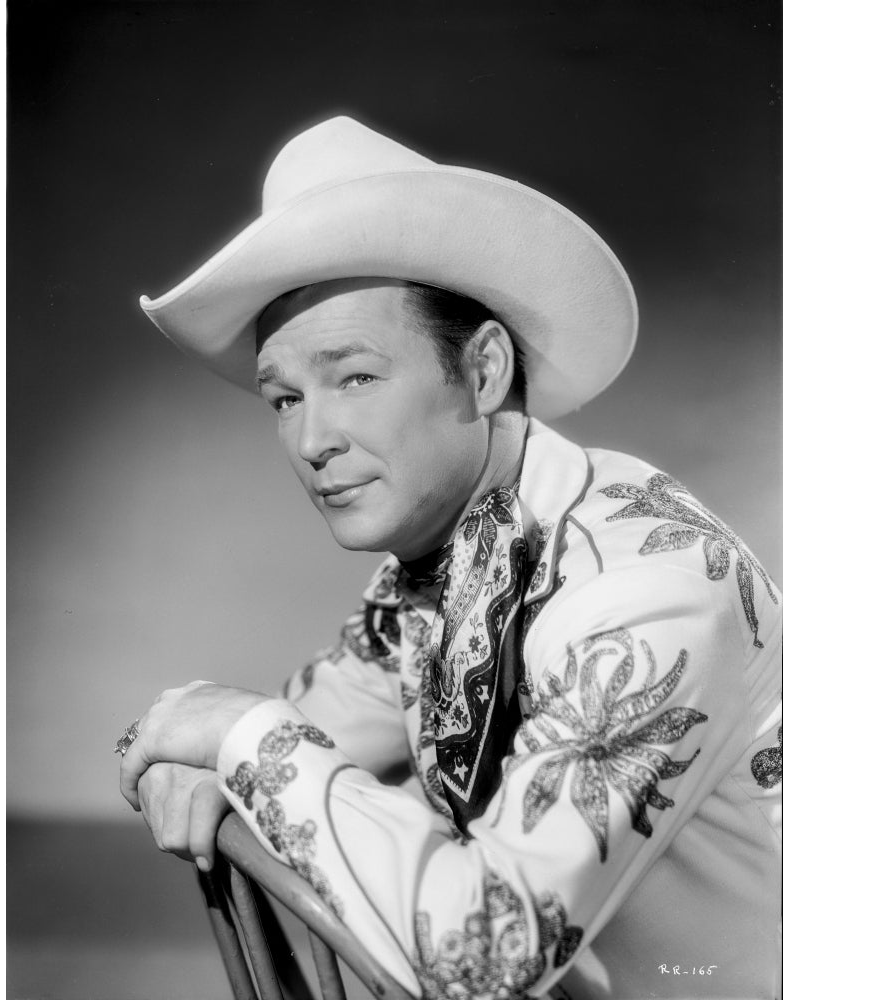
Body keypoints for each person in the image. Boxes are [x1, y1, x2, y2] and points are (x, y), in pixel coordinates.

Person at [116, 116, 781, 1000]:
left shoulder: (645, 591)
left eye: (354, 376)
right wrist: (205, 754)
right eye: (283, 398)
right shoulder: (445, 564)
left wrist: (238, 736)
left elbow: (488, 956)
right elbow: (302, 724)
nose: (311, 440)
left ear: (484, 369)